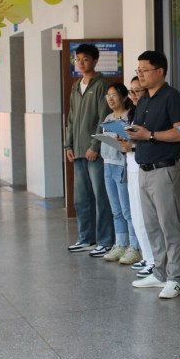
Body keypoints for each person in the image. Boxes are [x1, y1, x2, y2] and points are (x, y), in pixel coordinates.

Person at [126, 51, 180, 299]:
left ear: (160, 71)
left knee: (168, 225)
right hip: (144, 168)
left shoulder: (173, 98)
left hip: (164, 170)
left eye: (145, 70)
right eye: (138, 70)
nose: (140, 74)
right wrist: (131, 137)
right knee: (151, 225)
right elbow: (141, 132)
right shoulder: (143, 99)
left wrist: (150, 135)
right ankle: (159, 272)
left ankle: (176, 278)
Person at [64, 43, 114, 257]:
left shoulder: (101, 85)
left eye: (85, 59)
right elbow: (71, 118)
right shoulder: (76, 86)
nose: (81, 63)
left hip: (95, 152)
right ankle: (86, 238)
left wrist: (95, 145)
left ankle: (105, 241)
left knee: (101, 197)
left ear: (95, 61)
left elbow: (104, 117)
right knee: (81, 198)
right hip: (77, 151)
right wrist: (68, 144)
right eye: (78, 59)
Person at [99, 83, 141, 266]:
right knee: (115, 210)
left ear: (124, 97)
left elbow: (131, 142)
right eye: (108, 96)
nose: (110, 99)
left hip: (121, 165)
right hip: (107, 164)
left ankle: (134, 246)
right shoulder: (108, 118)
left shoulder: (129, 117)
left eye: (114, 95)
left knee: (127, 210)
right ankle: (120, 244)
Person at [118, 77, 156, 278]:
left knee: (144, 216)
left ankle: (153, 260)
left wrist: (132, 146)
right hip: (132, 167)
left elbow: (150, 141)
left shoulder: (150, 113)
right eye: (131, 91)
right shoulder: (134, 113)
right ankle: (146, 255)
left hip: (143, 167)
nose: (133, 95)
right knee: (135, 214)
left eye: (137, 91)